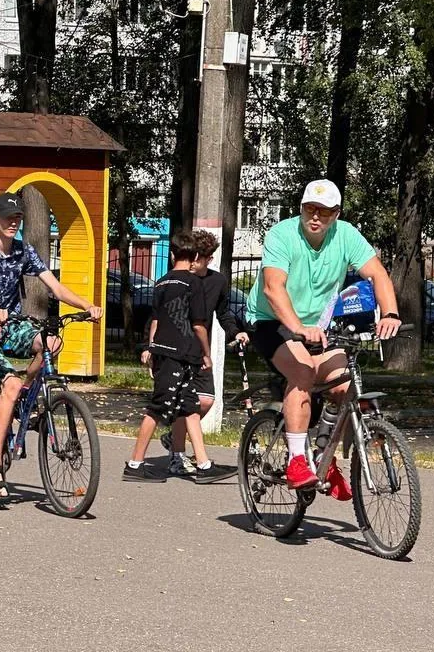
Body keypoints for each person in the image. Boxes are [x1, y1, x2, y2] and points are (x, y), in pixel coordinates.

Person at [246, 179, 401, 497]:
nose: (316, 217)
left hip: (318, 325)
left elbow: (378, 274)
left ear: (336, 214)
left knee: (346, 386)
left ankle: (323, 454)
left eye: (325, 212)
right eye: (309, 209)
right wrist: (299, 329)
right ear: (301, 208)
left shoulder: (346, 235)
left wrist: (390, 314)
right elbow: (273, 288)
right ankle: (297, 461)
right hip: (271, 321)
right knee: (302, 370)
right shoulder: (283, 235)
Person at [0, 191, 103, 500]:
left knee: (52, 341)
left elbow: (57, 288)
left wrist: (88, 306)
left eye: (18, 218)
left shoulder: (24, 252)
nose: (13, 223)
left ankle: (22, 394)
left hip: (9, 327)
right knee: (7, 386)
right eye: (8, 217)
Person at [125, 230, 232, 482]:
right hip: (180, 354)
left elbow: (156, 319)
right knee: (157, 408)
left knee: (190, 407)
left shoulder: (161, 282)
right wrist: (206, 354)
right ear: (195, 255)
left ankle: (204, 465)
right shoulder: (193, 283)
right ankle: (135, 464)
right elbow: (199, 325)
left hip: (165, 352)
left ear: (172, 254)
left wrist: (150, 347)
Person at [156, 229, 248, 477]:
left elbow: (224, 313)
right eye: (195, 256)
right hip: (179, 350)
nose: (196, 262)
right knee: (187, 405)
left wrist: (234, 332)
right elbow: (159, 315)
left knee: (205, 401)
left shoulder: (217, 282)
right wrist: (150, 347)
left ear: (208, 258)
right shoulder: (179, 281)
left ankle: (176, 438)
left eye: (203, 258)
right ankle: (178, 456)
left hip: (199, 350)